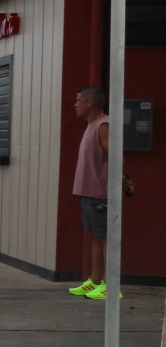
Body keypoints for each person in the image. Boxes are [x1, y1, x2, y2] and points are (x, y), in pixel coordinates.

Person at [69, 86, 133, 301]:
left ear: (90, 103)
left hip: (101, 194)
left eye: (78, 100)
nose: (75, 104)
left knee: (107, 238)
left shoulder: (103, 126)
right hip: (88, 192)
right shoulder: (91, 126)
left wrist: (120, 182)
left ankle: (111, 286)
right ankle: (95, 281)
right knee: (95, 237)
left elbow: (116, 156)